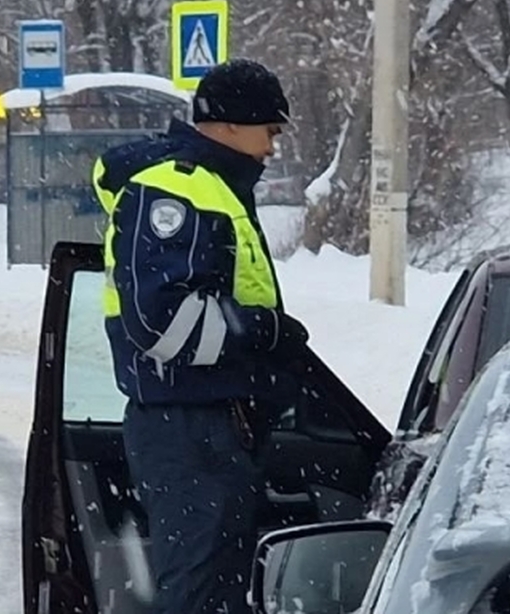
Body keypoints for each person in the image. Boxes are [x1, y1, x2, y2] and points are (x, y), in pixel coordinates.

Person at [93, 58, 310, 614]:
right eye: (271, 130)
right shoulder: (173, 191)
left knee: (219, 590)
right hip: (188, 428)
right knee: (199, 593)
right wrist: (263, 332)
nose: (273, 146)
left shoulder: (213, 185)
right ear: (232, 125)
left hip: (209, 428)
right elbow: (161, 324)